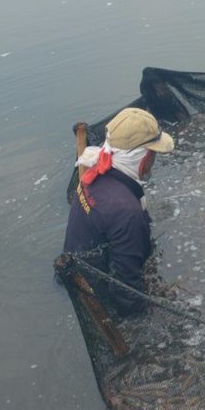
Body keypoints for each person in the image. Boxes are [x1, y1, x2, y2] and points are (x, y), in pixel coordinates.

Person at [63, 107, 174, 316]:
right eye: (154, 152)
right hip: (97, 297)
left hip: (76, 273)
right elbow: (126, 292)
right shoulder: (127, 212)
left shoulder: (93, 170)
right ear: (143, 156)